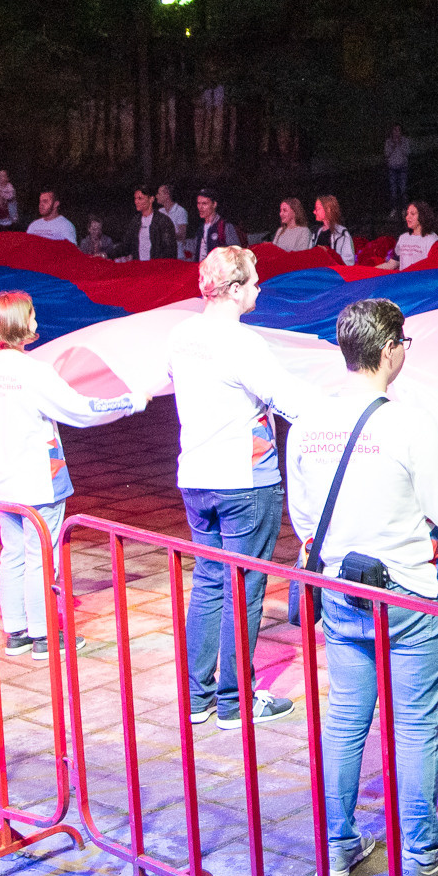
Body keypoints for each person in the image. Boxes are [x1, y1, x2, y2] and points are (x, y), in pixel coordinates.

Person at [289, 298, 438, 876]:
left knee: (345, 719)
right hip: (410, 596)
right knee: (415, 724)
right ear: (391, 350)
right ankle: (421, 858)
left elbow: (304, 520)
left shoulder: (308, 423)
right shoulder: (408, 423)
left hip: (339, 590)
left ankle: (339, 848)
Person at [168, 246, 311, 727]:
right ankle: (234, 701)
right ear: (232, 290)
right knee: (245, 587)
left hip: (197, 479)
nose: (259, 287)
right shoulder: (242, 342)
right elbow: (291, 399)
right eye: (252, 281)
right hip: (244, 482)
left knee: (209, 583)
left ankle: (196, 698)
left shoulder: (181, 336)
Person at [0, 291, 144, 659]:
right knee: (41, 556)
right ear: (21, 322)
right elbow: (80, 410)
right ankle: (45, 635)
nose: (37, 320)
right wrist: (129, 401)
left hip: (2, 480)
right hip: (38, 478)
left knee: (14, 554)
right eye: (32, 314)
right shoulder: (33, 370)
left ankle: (16, 631)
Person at [122, 188, 180, 262]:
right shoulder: (135, 221)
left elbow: (170, 251)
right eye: (135, 198)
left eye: (140, 198)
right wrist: (107, 254)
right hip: (138, 266)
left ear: (151, 199)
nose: (136, 201)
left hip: (156, 268)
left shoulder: (163, 221)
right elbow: (126, 245)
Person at [188, 191, 240, 261]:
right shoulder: (200, 229)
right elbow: (195, 254)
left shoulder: (224, 226)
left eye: (204, 203)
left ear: (214, 204)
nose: (200, 207)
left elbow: (236, 253)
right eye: (198, 203)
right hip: (201, 269)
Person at [386, 203, 438, 271]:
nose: (407, 217)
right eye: (407, 214)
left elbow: (434, 268)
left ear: (422, 216)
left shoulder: (432, 240)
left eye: (412, 214)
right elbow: (393, 263)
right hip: (404, 280)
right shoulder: (403, 238)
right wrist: (370, 271)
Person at [312, 195, 357, 264]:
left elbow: (348, 262)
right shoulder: (315, 233)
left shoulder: (341, 233)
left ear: (328, 209)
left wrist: (327, 251)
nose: (314, 212)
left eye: (317, 208)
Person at [385, 124, 411, 210]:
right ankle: (394, 209)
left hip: (403, 168)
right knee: (393, 190)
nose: (396, 132)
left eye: (398, 130)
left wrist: (400, 144)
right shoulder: (388, 141)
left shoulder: (405, 141)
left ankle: (404, 209)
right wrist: (393, 146)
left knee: (403, 189)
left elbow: (408, 153)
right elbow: (386, 154)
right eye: (395, 130)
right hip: (392, 168)